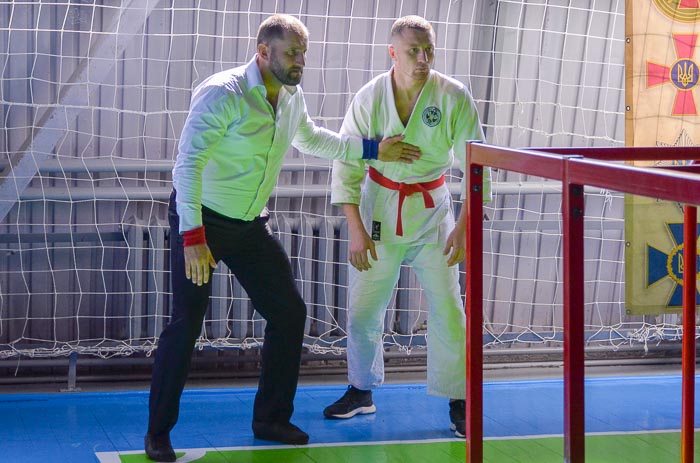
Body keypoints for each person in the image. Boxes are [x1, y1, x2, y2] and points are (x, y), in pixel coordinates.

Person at [144, 14, 422, 462]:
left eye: (303, 53)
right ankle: (158, 433)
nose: (300, 61)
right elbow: (187, 165)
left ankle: (270, 419)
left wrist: (373, 148)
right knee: (186, 325)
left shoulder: (291, 96)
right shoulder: (224, 93)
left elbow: (312, 139)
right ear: (263, 52)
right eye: (292, 53)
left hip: (249, 225)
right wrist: (192, 235)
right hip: (202, 223)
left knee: (289, 313)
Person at [323, 15, 491, 438]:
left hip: (434, 211)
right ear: (392, 52)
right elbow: (346, 161)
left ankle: (459, 398)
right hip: (379, 206)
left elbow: (477, 165)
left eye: (429, 50)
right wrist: (355, 227)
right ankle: (361, 390)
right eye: (413, 50)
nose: (422, 59)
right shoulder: (369, 97)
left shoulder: (453, 95)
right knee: (364, 306)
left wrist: (467, 227)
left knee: (449, 308)